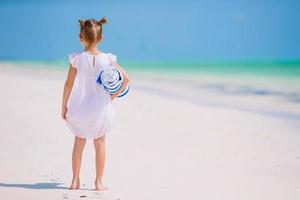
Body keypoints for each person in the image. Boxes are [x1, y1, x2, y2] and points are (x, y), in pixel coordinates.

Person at [61, 17, 130, 191]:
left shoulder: (76, 58)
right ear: (101, 38)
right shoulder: (107, 59)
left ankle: (75, 181)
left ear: (80, 37)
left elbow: (68, 84)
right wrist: (112, 96)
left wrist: (64, 106)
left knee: (79, 142)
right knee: (99, 143)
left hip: (79, 108)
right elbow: (126, 79)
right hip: (100, 109)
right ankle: (98, 182)